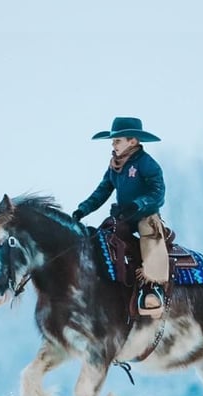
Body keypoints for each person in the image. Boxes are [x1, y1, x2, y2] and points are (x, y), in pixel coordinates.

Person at [72, 117, 169, 316]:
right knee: (102, 238)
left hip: (145, 216)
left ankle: (153, 288)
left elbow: (157, 193)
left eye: (117, 140)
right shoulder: (114, 167)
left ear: (132, 141)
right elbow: (101, 192)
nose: (113, 144)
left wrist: (138, 205)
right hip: (123, 216)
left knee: (150, 236)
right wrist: (82, 210)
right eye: (113, 141)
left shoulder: (147, 164)